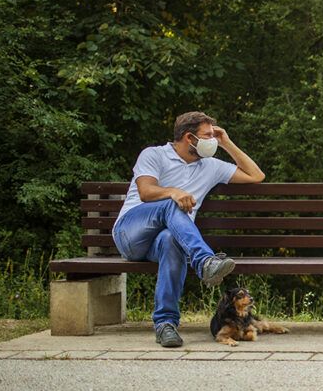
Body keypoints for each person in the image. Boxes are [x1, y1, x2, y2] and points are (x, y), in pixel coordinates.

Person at [112, 111, 266, 348]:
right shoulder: (154, 154)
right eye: (208, 136)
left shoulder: (211, 166)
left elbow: (256, 175)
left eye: (215, 136)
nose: (212, 140)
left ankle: (165, 325)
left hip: (165, 241)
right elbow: (145, 191)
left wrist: (227, 142)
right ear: (189, 138)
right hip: (131, 232)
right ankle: (205, 262)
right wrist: (173, 191)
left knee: (172, 241)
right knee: (170, 205)